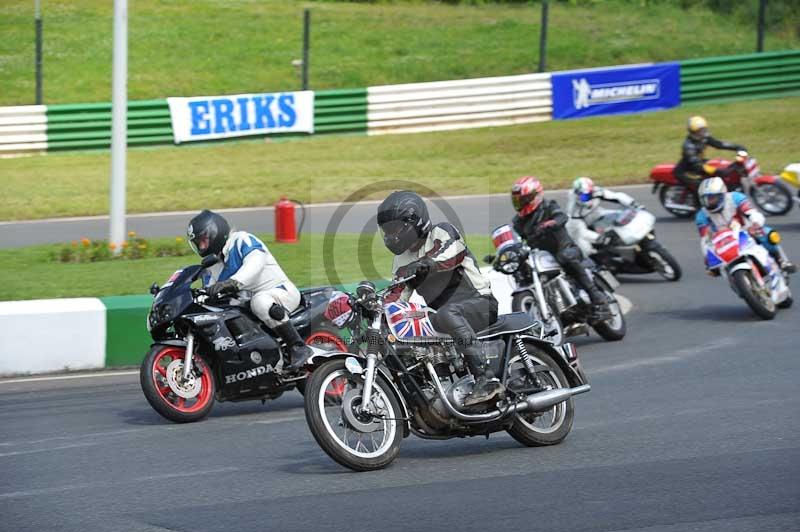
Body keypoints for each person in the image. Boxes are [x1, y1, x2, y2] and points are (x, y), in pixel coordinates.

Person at [377, 191, 502, 407]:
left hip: (480, 303)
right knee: (395, 333)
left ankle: (486, 378)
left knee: (446, 313)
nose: (391, 235)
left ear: (413, 222)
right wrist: (373, 307)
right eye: (387, 230)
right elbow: (395, 295)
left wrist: (425, 264)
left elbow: (452, 254)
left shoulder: (441, 231)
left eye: (395, 228)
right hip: (444, 317)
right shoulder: (401, 260)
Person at [186, 209, 313, 371]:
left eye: (203, 240)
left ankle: (298, 346)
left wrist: (233, 282)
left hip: (280, 293)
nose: (202, 246)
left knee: (260, 302)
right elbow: (209, 291)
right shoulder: (212, 265)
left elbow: (255, 264)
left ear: (215, 231)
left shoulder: (241, 240)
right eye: (198, 243)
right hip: (249, 306)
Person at [511, 176, 610, 318]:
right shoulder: (518, 221)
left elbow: (561, 216)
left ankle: (598, 298)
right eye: (517, 200)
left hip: (566, 248)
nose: (520, 203)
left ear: (535, 196)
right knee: (523, 270)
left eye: (523, 199)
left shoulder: (548, 206)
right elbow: (517, 239)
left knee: (565, 257)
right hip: (543, 256)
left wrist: (551, 223)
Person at [696, 177, 796, 274]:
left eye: (712, 198)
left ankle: (781, 261)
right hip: (724, 242)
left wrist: (756, 223)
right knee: (715, 267)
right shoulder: (702, 215)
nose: (709, 202)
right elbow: (705, 239)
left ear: (723, 194)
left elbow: (752, 212)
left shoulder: (735, 198)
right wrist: (707, 257)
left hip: (747, 230)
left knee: (768, 234)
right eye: (705, 199)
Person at [566, 176, 637, 258]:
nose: (585, 198)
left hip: (594, 213)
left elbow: (617, 196)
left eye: (587, 195)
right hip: (578, 222)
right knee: (586, 250)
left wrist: (633, 204)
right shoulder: (573, 210)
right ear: (577, 193)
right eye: (583, 196)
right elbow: (581, 232)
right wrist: (599, 238)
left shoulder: (597, 191)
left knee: (620, 215)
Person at [674, 116, 747, 190]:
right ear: (693, 132)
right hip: (687, 171)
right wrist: (717, 171)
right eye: (700, 131)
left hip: (698, 164)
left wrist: (737, 147)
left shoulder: (703, 138)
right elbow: (698, 166)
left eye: (704, 129)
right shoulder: (688, 146)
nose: (703, 132)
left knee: (721, 167)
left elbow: (719, 144)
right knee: (703, 188)